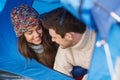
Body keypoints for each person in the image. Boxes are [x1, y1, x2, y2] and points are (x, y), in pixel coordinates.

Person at [42, 7, 96, 79]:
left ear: (68, 36)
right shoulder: (65, 46)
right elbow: (59, 74)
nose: (52, 40)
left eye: (55, 37)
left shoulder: (100, 42)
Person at [10, 4, 58, 69]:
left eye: (38, 28)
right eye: (30, 32)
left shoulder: (53, 38)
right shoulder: (20, 55)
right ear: (22, 35)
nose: (37, 35)